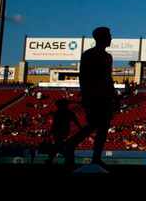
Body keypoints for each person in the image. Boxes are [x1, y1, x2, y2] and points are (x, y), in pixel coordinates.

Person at [66, 26, 119, 169]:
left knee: (101, 126)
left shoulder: (106, 56)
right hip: (95, 96)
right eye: (109, 35)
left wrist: (113, 96)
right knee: (97, 125)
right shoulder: (90, 55)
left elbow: (108, 78)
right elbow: (84, 77)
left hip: (103, 96)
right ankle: (73, 146)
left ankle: (94, 157)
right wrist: (86, 96)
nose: (111, 38)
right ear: (102, 37)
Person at [45, 99, 81, 165]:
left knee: (58, 145)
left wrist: (50, 133)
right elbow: (76, 122)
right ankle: (66, 158)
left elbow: (54, 124)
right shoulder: (68, 113)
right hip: (64, 131)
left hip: (59, 131)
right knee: (58, 145)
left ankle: (53, 158)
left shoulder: (58, 113)